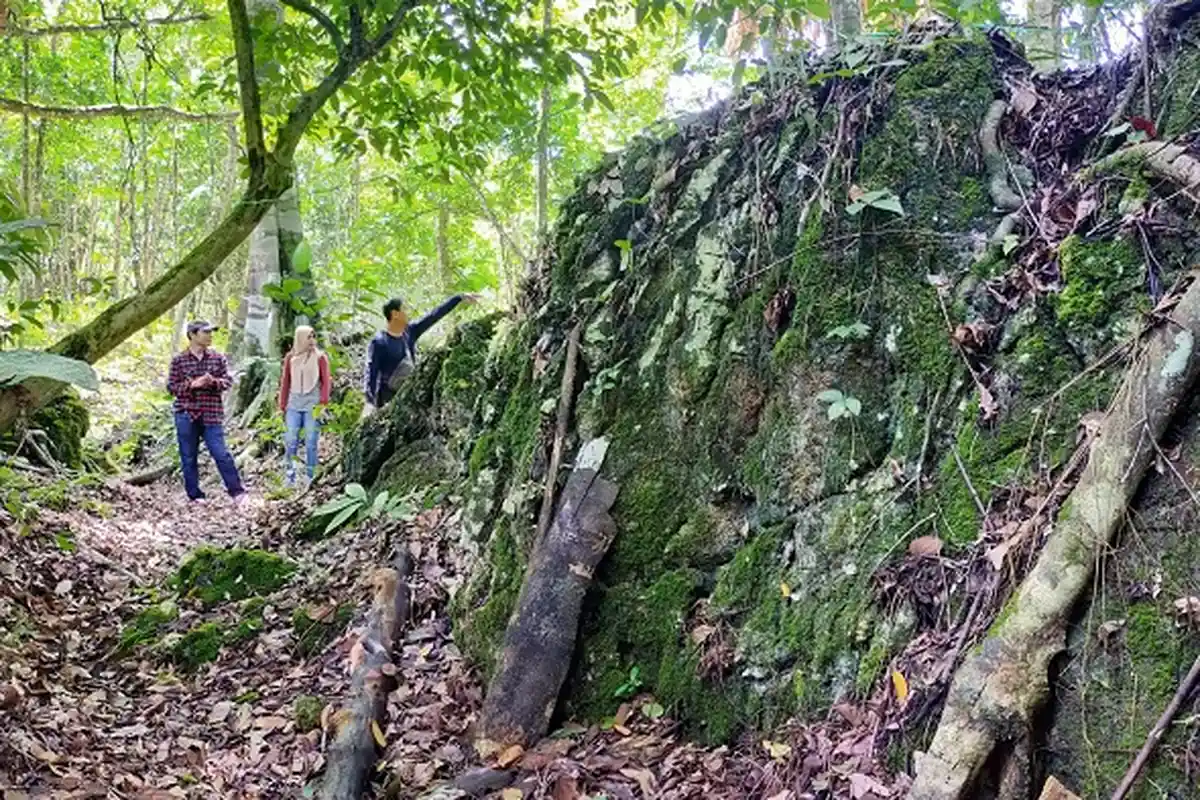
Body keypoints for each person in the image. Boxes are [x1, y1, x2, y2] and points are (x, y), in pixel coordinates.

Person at [166, 320, 246, 503]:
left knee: (221, 453)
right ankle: (194, 495)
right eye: (206, 332)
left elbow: (227, 382)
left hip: (211, 413)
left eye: (211, 332)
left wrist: (213, 382)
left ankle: (237, 492)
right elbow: (171, 387)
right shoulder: (179, 360)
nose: (210, 336)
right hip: (186, 413)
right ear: (193, 335)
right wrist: (193, 384)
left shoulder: (218, 358)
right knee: (188, 456)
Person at [362, 294, 478, 413]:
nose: (408, 312)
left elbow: (433, 315)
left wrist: (458, 298)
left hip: (411, 395)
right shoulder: (379, 342)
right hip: (388, 400)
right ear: (395, 313)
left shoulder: (410, 332)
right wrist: (369, 402)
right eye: (405, 309)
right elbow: (371, 372)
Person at [278, 325, 332, 487]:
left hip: (312, 404)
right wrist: (282, 405)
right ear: (300, 338)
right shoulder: (291, 358)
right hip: (293, 403)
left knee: (310, 441)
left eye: (313, 337)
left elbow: (326, 382)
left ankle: (310, 476)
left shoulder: (320, 357)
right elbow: (285, 382)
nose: (312, 341)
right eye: (308, 337)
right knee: (291, 440)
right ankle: (290, 477)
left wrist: (323, 403)